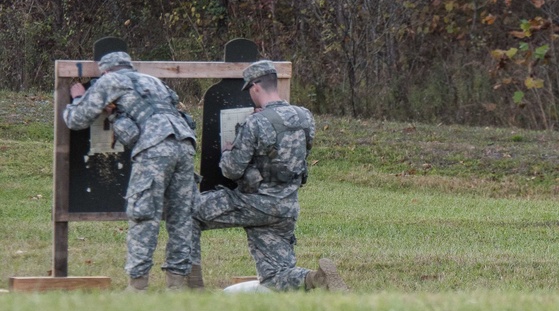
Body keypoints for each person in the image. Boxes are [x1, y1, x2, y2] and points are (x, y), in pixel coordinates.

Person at [189, 59, 347, 292]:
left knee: (187, 213)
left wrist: (227, 151)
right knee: (275, 277)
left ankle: (191, 287)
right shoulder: (305, 117)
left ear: (255, 87)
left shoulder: (255, 123)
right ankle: (316, 278)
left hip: (252, 203)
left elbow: (231, 170)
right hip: (286, 207)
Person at [64, 51, 197, 291]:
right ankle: (177, 286)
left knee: (143, 214)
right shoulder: (153, 81)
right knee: (181, 218)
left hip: (155, 147)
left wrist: (77, 98)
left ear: (105, 71)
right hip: (185, 143)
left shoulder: (110, 81)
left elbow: (76, 120)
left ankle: (137, 286)